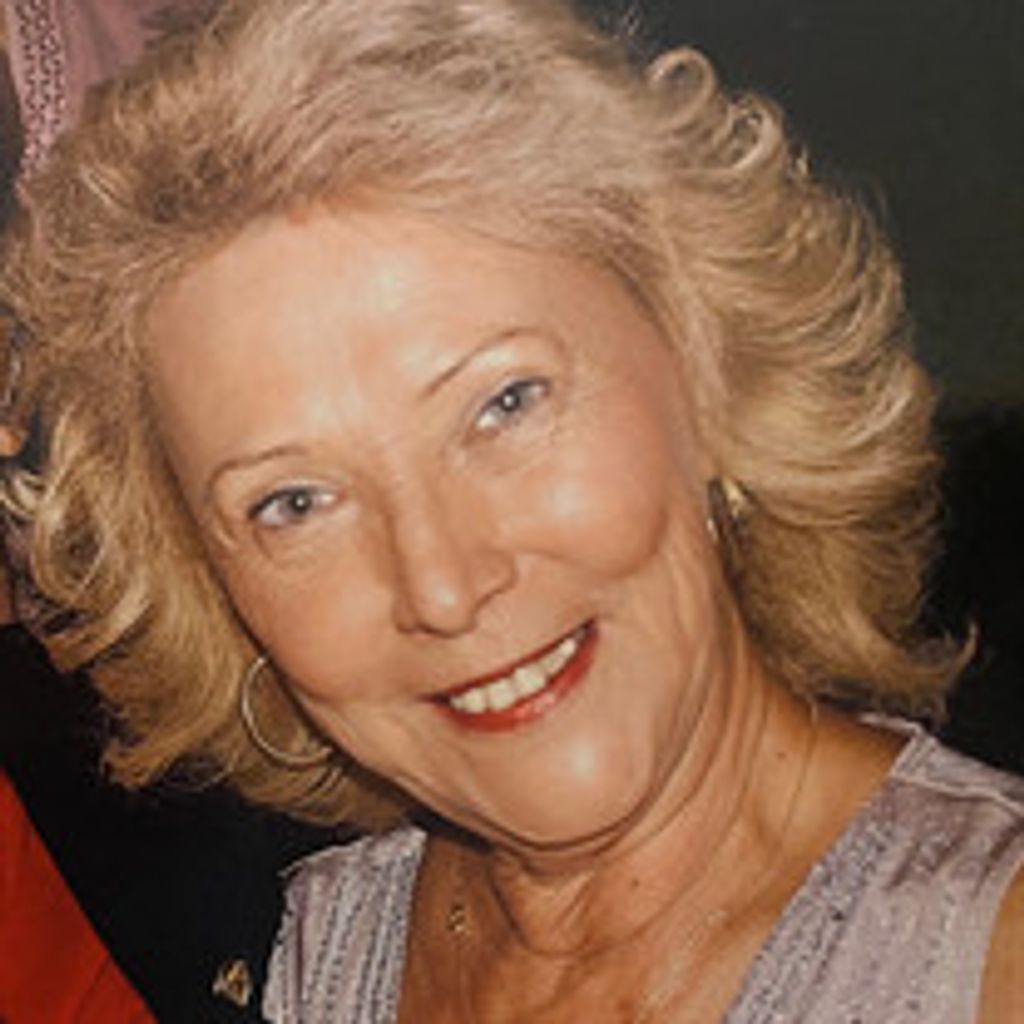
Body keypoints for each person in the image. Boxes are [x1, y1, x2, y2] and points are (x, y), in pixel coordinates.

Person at [1, 0, 1021, 1020]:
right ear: (215, 593)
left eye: (505, 403)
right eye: (295, 501)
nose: (443, 585)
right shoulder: (322, 941)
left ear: (708, 373)